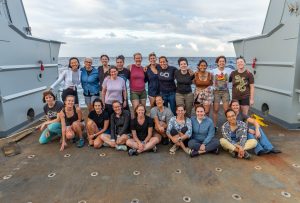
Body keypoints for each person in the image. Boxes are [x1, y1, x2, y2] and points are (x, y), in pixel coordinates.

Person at [211, 56, 232, 133]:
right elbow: (206, 77)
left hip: (225, 92)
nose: (221, 63)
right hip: (216, 92)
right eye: (220, 61)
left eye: (223, 61)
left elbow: (237, 73)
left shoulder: (229, 70)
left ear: (225, 62)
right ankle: (214, 126)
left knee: (227, 110)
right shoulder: (213, 71)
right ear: (217, 62)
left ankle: (229, 126)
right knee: (215, 109)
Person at [128, 52, 147, 117]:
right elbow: (120, 70)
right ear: (134, 59)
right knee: (136, 110)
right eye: (136, 58)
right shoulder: (130, 67)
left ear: (141, 59)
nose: (138, 59)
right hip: (134, 92)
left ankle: (143, 125)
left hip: (143, 91)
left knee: (143, 110)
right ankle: (135, 125)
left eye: (139, 58)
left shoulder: (143, 68)